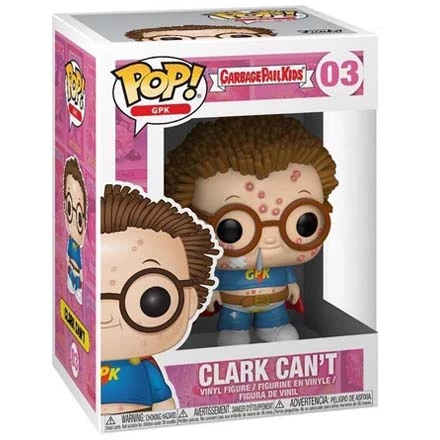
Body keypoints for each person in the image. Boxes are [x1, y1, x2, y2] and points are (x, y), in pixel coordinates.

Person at [166, 115, 338, 345]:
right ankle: (234, 332)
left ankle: (273, 328)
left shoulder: (281, 267)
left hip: (275, 304)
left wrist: (292, 284)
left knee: (277, 323)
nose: (269, 240)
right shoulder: (221, 265)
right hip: (234, 305)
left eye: (303, 223)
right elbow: (211, 278)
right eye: (232, 228)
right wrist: (211, 292)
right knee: (234, 333)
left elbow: (288, 275)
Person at [100, 184, 219, 414]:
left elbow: (163, 399)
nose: (105, 316)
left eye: (152, 300)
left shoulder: (146, 367)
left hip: (141, 415)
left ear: (190, 301)